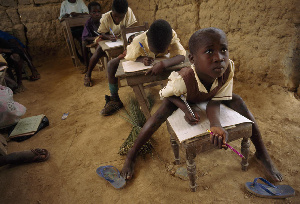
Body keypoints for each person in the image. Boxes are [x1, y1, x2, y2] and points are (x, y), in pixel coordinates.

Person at [121, 27, 283, 183]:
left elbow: (217, 98)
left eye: (223, 50)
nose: (219, 57)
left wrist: (216, 125)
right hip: (184, 97)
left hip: (209, 96)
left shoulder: (227, 68)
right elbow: (165, 94)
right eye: (209, 51)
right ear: (192, 59)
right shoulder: (181, 81)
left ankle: (261, 153)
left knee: (238, 100)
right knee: (160, 113)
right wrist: (185, 109)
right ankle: (131, 155)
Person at [100, 19, 186, 116]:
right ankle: (114, 98)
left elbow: (181, 56)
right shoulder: (138, 41)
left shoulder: (170, 35)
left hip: (158, 60)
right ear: (147, 38)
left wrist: (163, 64)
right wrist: (141, 59)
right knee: (111, 64)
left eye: (161, 51)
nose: (157, 54)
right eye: (154, 51)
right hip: (132, 51)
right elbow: (131, 56)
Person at [84, 0, 137, 87]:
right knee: (98, 51)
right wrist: (108, 37)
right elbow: (102, 33)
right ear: (112, 11)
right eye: (115, 16)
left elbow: (131, 27)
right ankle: (88, 74)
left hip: (124, 38)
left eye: (121, 17)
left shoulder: (128, 11)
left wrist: (130, 36)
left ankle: (130, 71)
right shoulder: (105, 18)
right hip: (110, 40)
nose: (118, 19)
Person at [81, 1, 102, 74]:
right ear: (90, 13)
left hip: (104, 38)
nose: (97, 14)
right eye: (94, 12)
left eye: (99, 11)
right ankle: (86, 65)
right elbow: (85, 37)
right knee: (84, 43)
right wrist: (95, 38)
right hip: (92, 39)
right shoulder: (88, 23)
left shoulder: (103, 20)